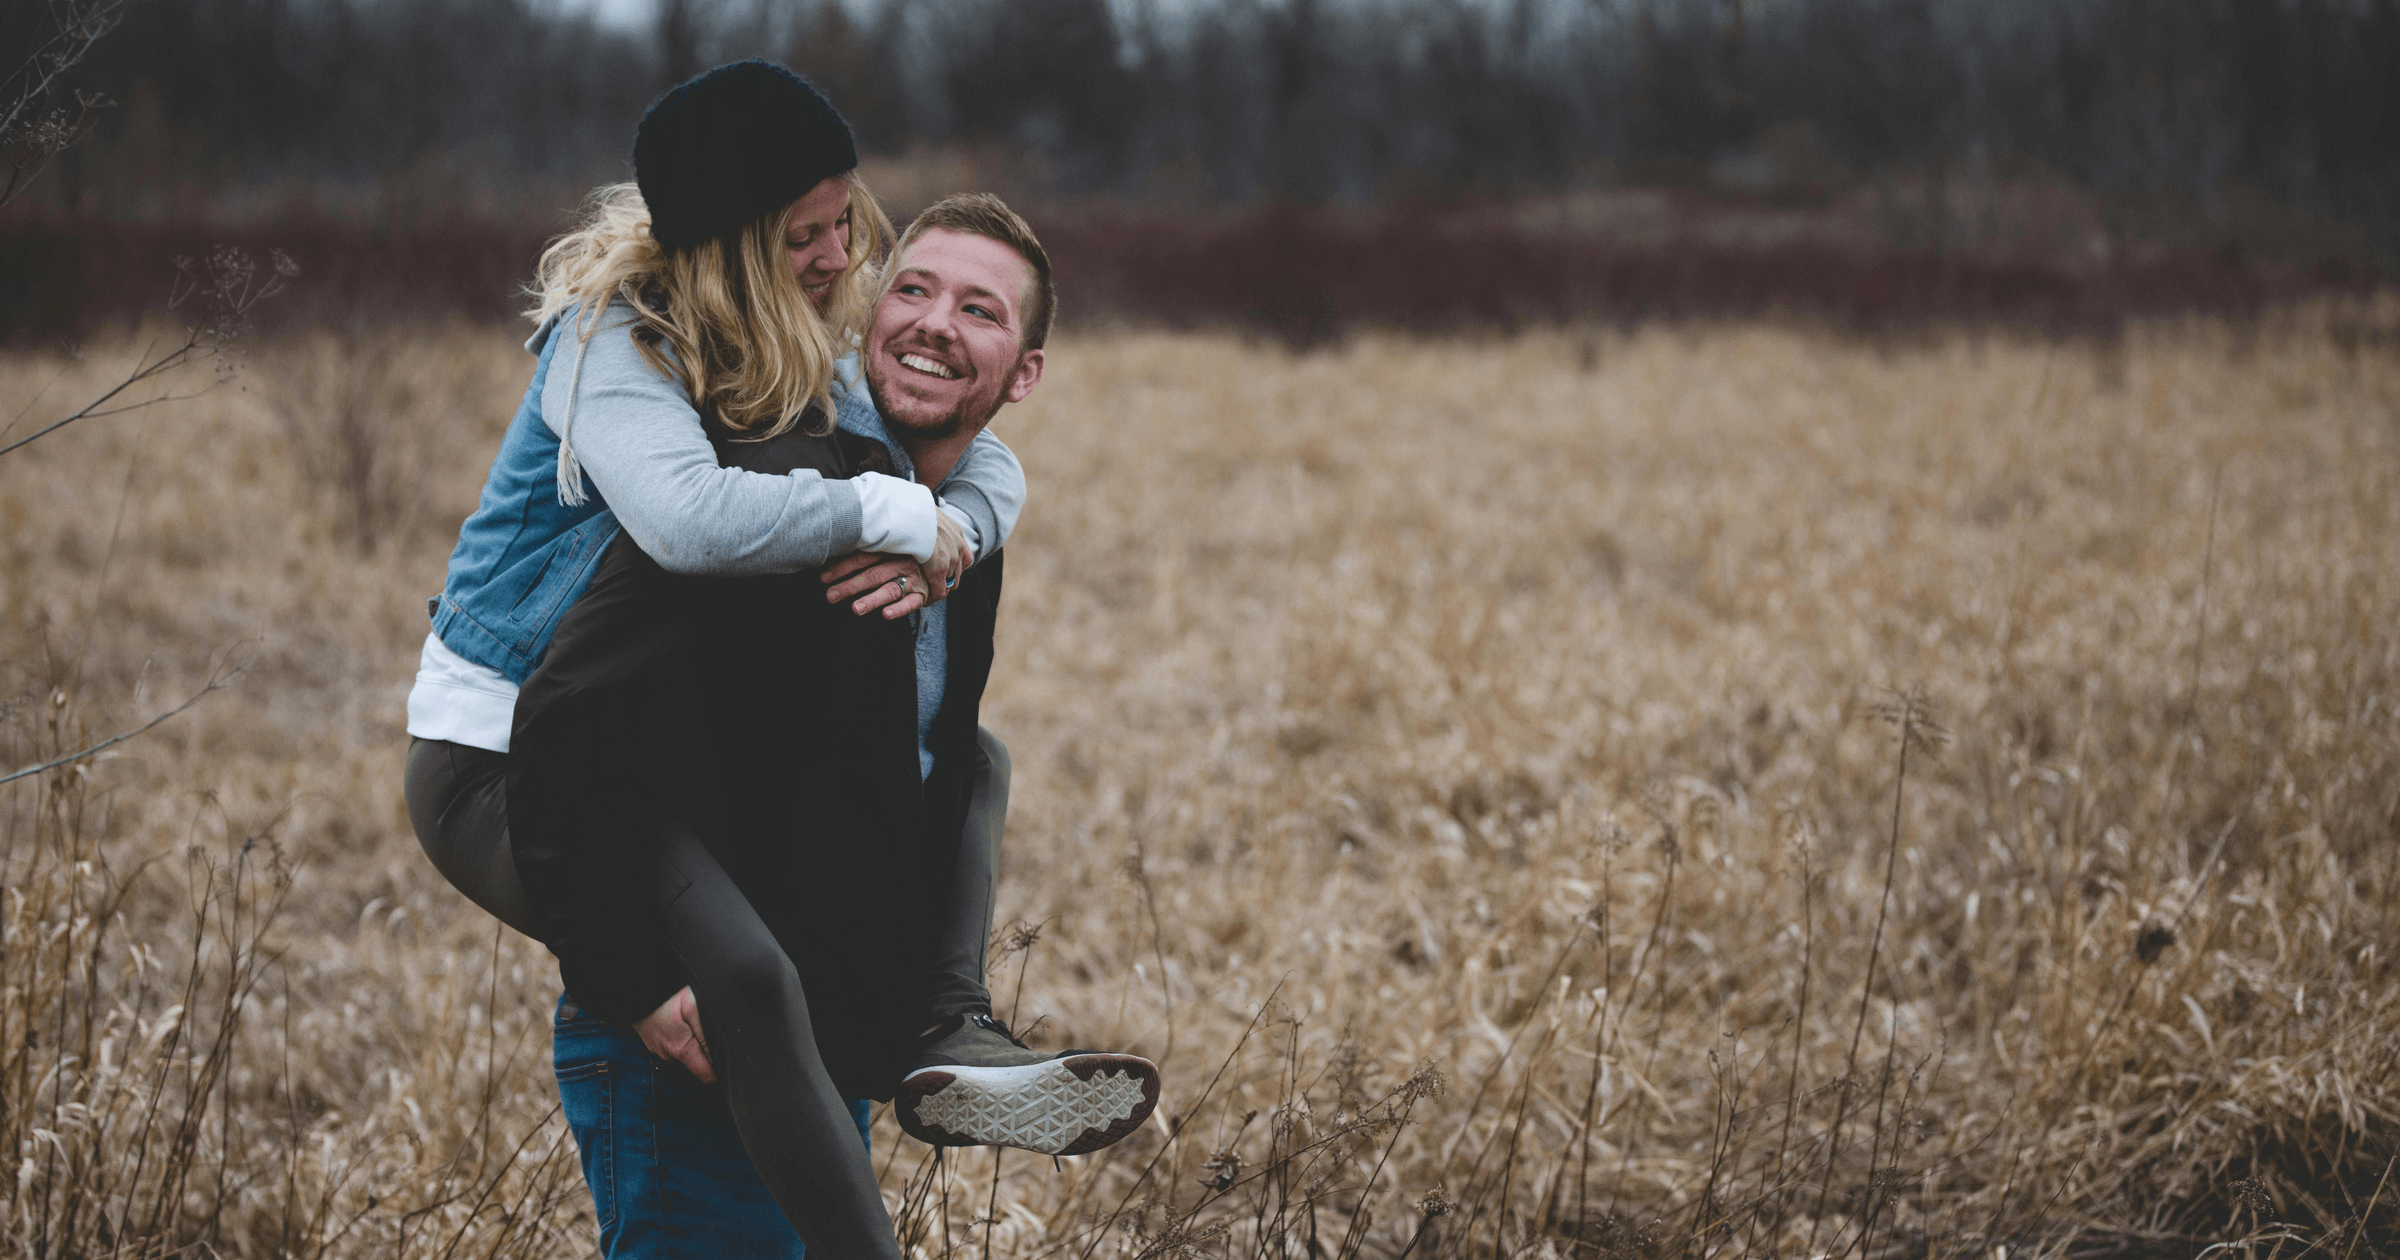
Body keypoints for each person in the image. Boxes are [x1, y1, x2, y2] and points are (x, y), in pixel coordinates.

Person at [397, 61, 1154, 1259]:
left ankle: (945, 1025)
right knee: (744, 978)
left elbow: (964, 453)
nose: (841, 257)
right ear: (737, 245)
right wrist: (891, 517)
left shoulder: (784, 355)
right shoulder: (615, 344)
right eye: (808, 235)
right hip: (503, 743)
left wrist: (952, 533)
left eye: (848, 223)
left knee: (972, 760)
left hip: (620, 753)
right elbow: (689, 523)